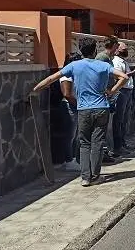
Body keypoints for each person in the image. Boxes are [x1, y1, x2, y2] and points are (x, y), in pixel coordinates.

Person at [32, 37, 128, 187]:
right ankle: (95, 176)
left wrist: (35, 90)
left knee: (84, 143)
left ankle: (85, 177)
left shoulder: (74, 66)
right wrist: (112, 91)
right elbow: (124, 77)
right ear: (95, 50)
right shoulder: (103, 65)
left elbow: (52, 78)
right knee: (97, 143)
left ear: (80, 51)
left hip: (83, 109)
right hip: (102, 108)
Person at [95, 35, 120, 162]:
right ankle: (102, 153)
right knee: (104, 127)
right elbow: (98, 76)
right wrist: (108, 91)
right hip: (104, 96)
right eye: (117, 45)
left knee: (107, 126)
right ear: (114, 45)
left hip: (109, 95)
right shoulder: (102, 58)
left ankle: (105, 151)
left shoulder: (108, 58)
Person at [112, 42, 135, 155]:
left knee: (125, 119)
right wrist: (133, 73)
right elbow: (120, 77)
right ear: (117, 49)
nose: (126, 50)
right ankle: (118, 146)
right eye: (124, 48)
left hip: (128, 91)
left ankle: (122, 142)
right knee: (119, 119)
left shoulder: (124, 61)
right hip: (122, 91)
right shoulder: (116, 62)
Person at [59, 52, 83, 172]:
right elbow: (67, 94)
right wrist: (78, 105)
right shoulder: (66, 76)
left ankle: (73, 158)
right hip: (70, 106)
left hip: (76, 106)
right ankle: (69, 160)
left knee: (76, 135)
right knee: (70, 135)